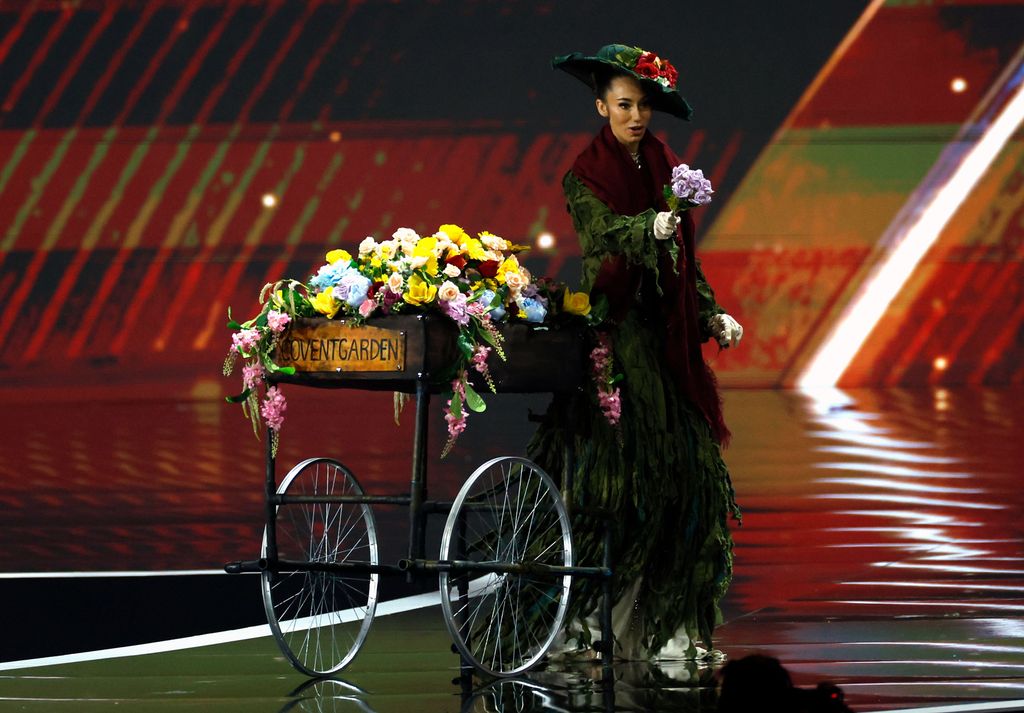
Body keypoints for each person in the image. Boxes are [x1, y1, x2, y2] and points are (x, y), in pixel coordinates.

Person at [529, 44, 743, 661]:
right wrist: (647, 226)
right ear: (602, 107)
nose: (636, 116)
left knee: (693, 480)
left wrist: (711, 313)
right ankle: (587, 624)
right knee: (621, 488)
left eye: (644, 105)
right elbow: (602, 235)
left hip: (667, 339)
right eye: (624, 104)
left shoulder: (667, 166)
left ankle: (671, 627)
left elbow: (685, 262)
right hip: (618, 339)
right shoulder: (585, 174)